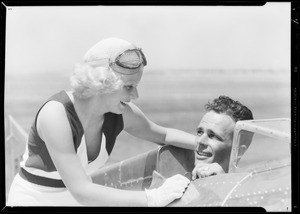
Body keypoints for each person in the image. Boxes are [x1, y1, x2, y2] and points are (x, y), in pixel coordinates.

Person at [7, 37, 196, 207]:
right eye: (129, 87)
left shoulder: (120, 112)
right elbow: (82, 191)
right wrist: (153, 198)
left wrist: (207, 144)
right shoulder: (55, 115)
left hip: (75, 201)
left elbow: (164, 135)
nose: (136, 95)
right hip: (32, 201)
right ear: (102, 82)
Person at [191, 96, 253, 180]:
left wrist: (224, 179)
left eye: (212, 136)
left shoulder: (247, 188)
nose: (200, 141)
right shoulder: (177, 183)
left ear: (238, 151)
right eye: (200, 132)